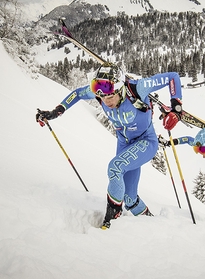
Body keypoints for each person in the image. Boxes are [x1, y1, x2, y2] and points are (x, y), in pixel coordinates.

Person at [36, 62, 183, 229]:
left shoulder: (138, 89)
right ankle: (152, 224)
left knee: (115, 167)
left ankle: (111, 221)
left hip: (146, 141)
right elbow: (77, 94)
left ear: (120, 89)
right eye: (103, 97)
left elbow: (173, 77)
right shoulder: (101, 92)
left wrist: (176, 108)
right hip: (124, 143)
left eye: (110, 96)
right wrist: (56, 111)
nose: (106, 101)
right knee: (130, 199)